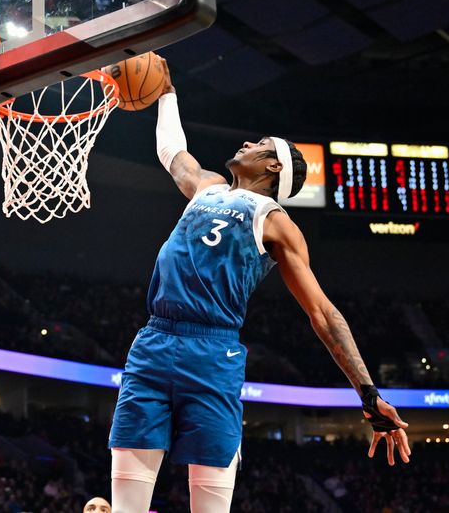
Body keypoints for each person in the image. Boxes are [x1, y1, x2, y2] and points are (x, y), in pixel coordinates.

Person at [108, 58, 411, 513]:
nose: (246, 142)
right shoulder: (207, 187)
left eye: (260, 144)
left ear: (272, 165)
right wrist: (167, 92)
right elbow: (173, 153)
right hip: (153, 341)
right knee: (125, 505)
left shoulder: (275, 221)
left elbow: (323, 314)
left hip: (212, 354)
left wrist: (368, 394)